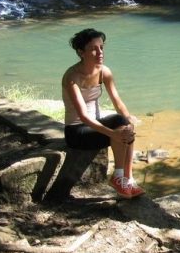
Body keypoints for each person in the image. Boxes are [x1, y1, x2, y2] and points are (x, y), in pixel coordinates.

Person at [61, 28, 144, 199]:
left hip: (95, 126)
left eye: (101, 47)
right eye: (93, 48)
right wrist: (113, 133)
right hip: (76, 131)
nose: (100, 52)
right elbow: (83, 116)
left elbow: (117, 101)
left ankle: (127, 178)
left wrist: (129, 121)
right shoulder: (72, 76)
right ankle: (118, 178)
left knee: (124, 124)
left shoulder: (104, 71)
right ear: (81, 52)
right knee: (120, 131)